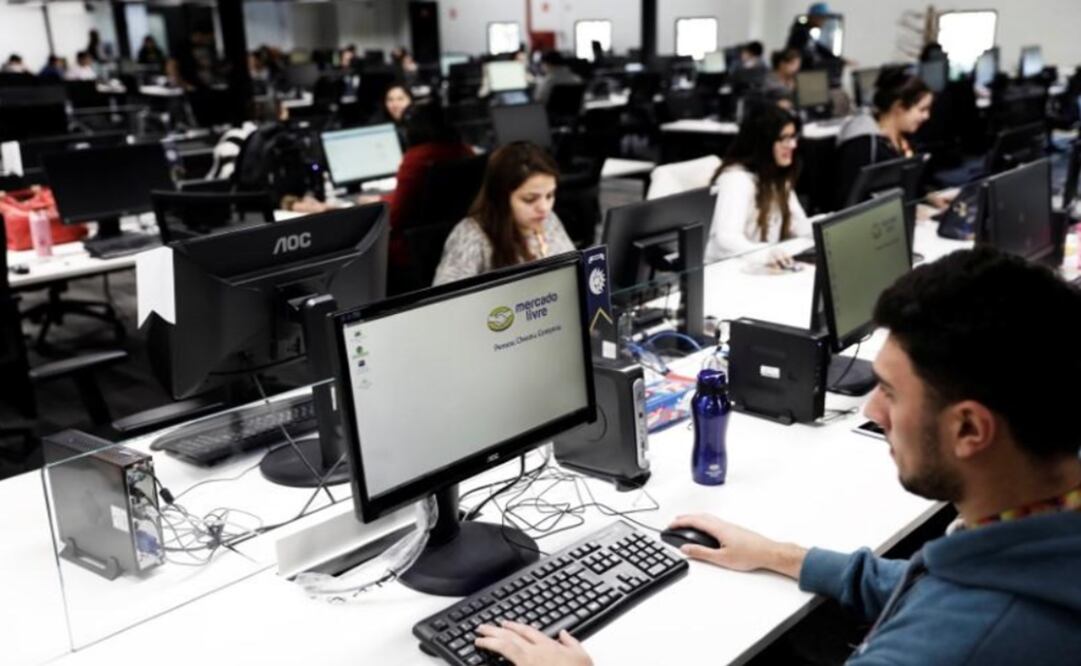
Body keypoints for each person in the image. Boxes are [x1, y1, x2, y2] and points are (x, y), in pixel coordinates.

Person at [474, 247, 1081, 665]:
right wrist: (777, 554)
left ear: (971, 429)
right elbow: (932, 581)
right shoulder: (1042, 527)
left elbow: (952, 612)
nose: (872, 409)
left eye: (891, 391)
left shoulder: (957, 645)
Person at [355, 102, 475, 284]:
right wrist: (384, 197)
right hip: (458, 241)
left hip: (413, 250)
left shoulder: (416, 158)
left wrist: (376, 202)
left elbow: (395, 218)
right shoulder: (465, 151)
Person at [433, 142, 575, 286]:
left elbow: (573, 272)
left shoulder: (548, 220)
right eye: (529, 199)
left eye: (550, 195)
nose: (544, 208)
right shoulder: (471, 234)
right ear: (501, 197)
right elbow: (447, 302)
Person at [705, 104, 810, 266]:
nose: (792, 145)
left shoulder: (777, 175)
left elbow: (798, 225)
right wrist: (767, 253)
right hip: (727, 272)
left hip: (758, 268)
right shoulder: (736, 179)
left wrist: (828, 225)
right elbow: (726, 239)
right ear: (764, 143)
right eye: (784, 138)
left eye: (793, 137)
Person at [834, 67, 932, 209]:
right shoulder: (862, 144)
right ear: (898, 107)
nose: (926, 116)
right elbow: (849, 202)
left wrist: (929, 198)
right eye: (922, 110)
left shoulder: (904, 138)